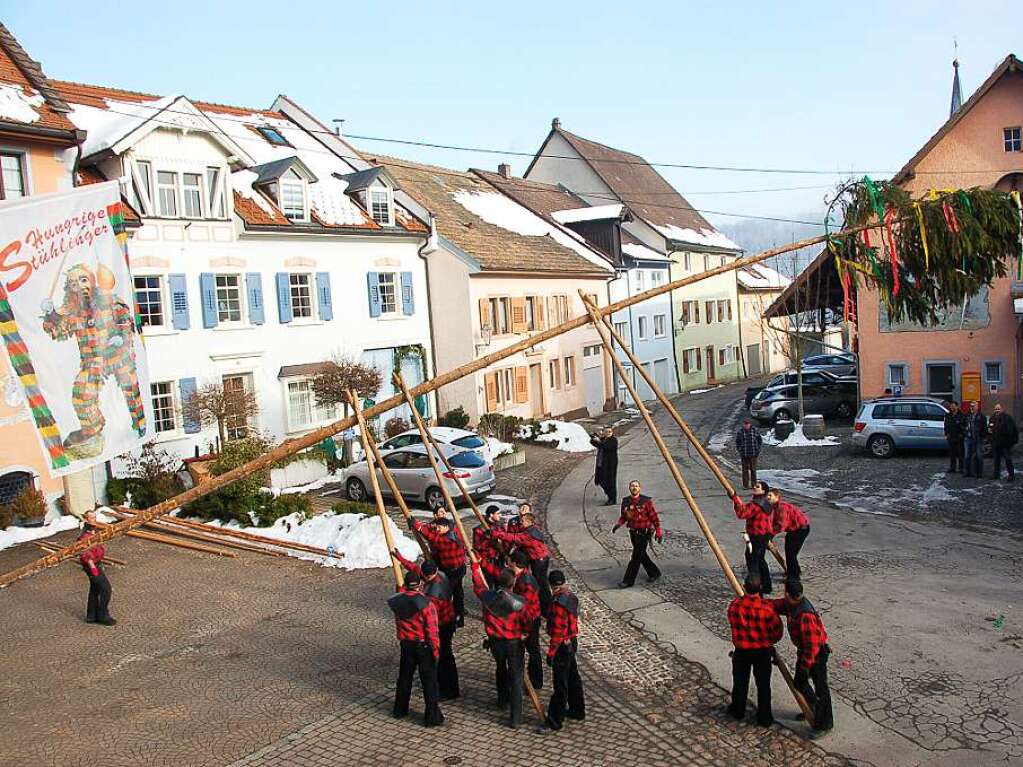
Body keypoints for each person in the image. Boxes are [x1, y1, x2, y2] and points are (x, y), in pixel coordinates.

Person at [392, 550, 460, 700]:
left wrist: (404, 591)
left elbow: (424, 609)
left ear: (432, 573)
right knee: (446, 657)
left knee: (443, 658)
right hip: (445, 621)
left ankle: (448, 690)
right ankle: (447, 687)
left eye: (426, 576)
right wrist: (402, 559)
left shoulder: (434, 594)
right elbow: (417, 570)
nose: (425, 578)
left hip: (443, 625)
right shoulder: (438, 573)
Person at [470, 561, 528, 728]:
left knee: (500, 668)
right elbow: (526, 622)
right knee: (516, 677)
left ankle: (503, 700)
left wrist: (475, 568)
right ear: (513, 583)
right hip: (513, 643)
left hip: (496, 641)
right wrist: (526, 633)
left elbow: (478, 585)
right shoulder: (519, 603)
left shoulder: (487, 597)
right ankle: (515, 718)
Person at [771, 580, 833, 734]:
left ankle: (824, 725)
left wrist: (805, 666)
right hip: (806, 650)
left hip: (816, 654)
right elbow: (775, 605)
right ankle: (811, 709)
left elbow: (812, 646)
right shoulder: (791, 604)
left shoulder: (805, 614)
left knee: (821, 690)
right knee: (799, 683)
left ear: (787, 593)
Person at [388, 571, 444, 727]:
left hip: (406, 644)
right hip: (423, 645)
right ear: (420, 585)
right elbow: (432, 630)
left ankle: (400, 709)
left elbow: (399, 592)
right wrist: (435, 650)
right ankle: (432, 717)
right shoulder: (426, 604)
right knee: (429, 682)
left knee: (404, 678)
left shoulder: (398, 601)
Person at [726, 575, 783, 727]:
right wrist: (768, 641)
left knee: (740, 682)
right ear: (761, 588)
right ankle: (765, 717)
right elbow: (777, 632)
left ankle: (738, 710)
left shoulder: (735, 605)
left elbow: (732, 623)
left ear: (744, 587)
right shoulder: (767, 609)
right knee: (763, 685)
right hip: (762, 652)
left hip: (742, 650)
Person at [545, 570, 585, 730]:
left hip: (562, 645)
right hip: (571, 641)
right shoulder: (570, 596)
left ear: (551, 585)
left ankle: (555, 720)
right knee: (573, 677)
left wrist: (551, 653)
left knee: (560, 684)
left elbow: (558, 632)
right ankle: (577, 710)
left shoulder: (558, 604)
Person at [491, 506, 551, 612]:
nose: (521, 523)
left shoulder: (528, 534)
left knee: (541, 583)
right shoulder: (533, 528)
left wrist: (496, 534)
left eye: (523, 521)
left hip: (539, 560)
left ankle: (545, 608)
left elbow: (514, 537)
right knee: (542, 582)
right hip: (540, 558)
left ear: (528, 522)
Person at [412, 515, 467, 627]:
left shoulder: (448, 540)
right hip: (458, 568)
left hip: (453, 571)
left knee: (448, 594)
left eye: (439, 528)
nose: (437, 530)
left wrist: (418, 527)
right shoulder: (453, 532)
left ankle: (450, 618)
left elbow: (433, 538)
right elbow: (432, 532)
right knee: (458, 594)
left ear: (446, 527)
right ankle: (459, 617)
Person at [612, 480, 663, 588]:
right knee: (641, 555)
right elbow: (624, 516)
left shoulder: (646, 502)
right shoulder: (626, 502)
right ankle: (654, 572)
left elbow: (654, 517)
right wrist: (619, 524)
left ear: (640, 488)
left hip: (644, 533)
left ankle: (628, 581)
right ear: (629, 488)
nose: (634, 488)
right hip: (633, 533)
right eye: (632, 486)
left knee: (635, 558)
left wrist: (658, 530)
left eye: (636, 486)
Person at [732, 481, 775, 594]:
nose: (754, 487)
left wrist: (735, 498)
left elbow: (742, 513)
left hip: (755, 537)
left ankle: (756, 589)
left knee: (752, 562)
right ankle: (767, 586)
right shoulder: (767, 503)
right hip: (764, 536)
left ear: (763, 491)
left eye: (758, 487)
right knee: (761, 560)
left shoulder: (756, 505)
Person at [508, 549, 544, 690]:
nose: (508, 563)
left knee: (533, 650)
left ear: (515, 563)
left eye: (510, 562)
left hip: (530, 621)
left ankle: (535, 681)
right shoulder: (519, 576)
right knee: (525, 650)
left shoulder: (526, 583)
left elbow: (526, 611)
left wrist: (525, 630)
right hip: (524, 619)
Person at [78, 512, 115, 625]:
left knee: (95, 589)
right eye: (91, 518)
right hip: (92, 565)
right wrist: (92, 567)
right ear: (86, 520)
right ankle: (102, 615)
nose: (94, 520)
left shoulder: (93, 532)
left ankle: (91, 616)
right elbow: (84, 552)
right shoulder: (84, 535)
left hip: (97, 563)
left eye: (94, 517)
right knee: (106, 589)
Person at [769, 489, 810, 580]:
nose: (768, 497)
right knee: (790, 552)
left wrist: (770, 534)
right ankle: (795, 571)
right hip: (794, 529)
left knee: (791, 553)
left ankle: (793, 577)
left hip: (801, 529)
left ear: (777, 497)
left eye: (770, 495)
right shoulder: (774, 508)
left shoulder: (781, 507)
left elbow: (781, 525)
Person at [473, 505, 506, 587]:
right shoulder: (480, 529)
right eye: (497, 513)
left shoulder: (500, 526)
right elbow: (477, 547)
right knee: (489, 584)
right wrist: (488, 540)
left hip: (499, 559)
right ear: (491, 515)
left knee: (501, 583)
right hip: (488, 561)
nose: (500, 515)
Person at [989, 403, 1018, 482]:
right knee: (996, 460)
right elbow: (990, 428)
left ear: (1002, 409)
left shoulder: (1007, 418)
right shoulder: (992, 418)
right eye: (995, 409)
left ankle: (1011, 475)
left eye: (998, 409)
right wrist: (991, 436)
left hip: (1005, 443)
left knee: (1008, 459)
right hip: (996, 443)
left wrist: (1010, 442)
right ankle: (996, 474)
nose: (997, 410)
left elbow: (1011, 431)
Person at [590, 427, 619, 505]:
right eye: (607, 431)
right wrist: (593, 438)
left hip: (610, 465)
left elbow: (606, 447)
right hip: (601, 464)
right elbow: (595, 443)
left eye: (610, 431)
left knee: (610, 481)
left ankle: (612, 498)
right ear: (604, 432)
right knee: (600, 480)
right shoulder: (603, 439)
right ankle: (609, 495)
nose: (609, 433)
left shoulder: (613, 440)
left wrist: (599, 441)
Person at [734, 419, 763, 489]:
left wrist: (758, 449)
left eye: (747, 424)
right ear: (743, 424)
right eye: (745, 424)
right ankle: (745, 485)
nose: (746, 425)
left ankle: (754, 485)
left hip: (753, 454)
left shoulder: (755, 430)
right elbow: (737, 442)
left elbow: (760, 440)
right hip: (744, 454)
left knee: (753, 470)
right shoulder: (740, 432)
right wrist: (740, 450)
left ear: (750, 424)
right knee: (745, 470)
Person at [962, 401, 988, 479]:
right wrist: (965, 431)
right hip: (968, 438)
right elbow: (962, 425)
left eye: (974, 406)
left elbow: (984, 428)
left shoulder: (981, 416)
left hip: (978, 439)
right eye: (971, 406)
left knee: (979, 456)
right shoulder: (967, 415)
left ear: (977, 407)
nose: (972, 407)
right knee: (967, 456)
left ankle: (979, 473)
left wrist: (982, 436)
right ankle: (967, 472)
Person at [944, 400, 964, 473]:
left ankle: (961, 468)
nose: (952, 407)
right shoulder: (948, 415)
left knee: (960, 453)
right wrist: (946, 434)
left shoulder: (961, 415)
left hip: (959, 437)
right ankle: (952, 467)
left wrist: (962, 434)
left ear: (957, 406)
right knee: (952, 453)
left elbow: (963, 425)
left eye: (953, 406)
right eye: (951, 406)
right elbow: (945, 425)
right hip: (951, 436)